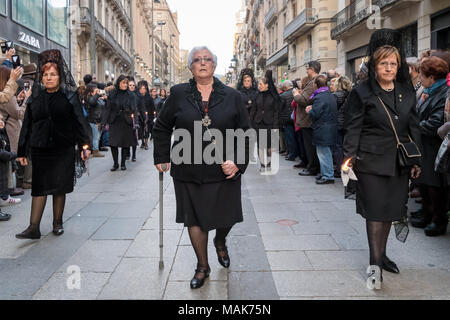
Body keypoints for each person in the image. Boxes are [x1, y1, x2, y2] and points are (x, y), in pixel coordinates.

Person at [153, 46, 250, 289]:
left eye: (207, 59)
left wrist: (238, 162)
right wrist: (161, 156)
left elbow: (246, 132)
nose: (203, 63)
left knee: (227, 215)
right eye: (197, 60)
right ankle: (202, 266)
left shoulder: (232, 95)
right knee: (194, 218)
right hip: (188, 166)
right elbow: (162, 126)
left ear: (215, 66)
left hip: (223, 167)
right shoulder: (177, 94)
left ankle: (220, 240)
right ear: (190, 67)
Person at [344, 29, 422, 290]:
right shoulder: (362, 92)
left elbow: (415, 127)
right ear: (374, 66)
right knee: (376, 212)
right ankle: (375, 264)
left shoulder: (407, 91)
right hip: (370, 162)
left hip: (399, 162)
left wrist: (416, 161)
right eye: (383, 63)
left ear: (398, 66)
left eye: (393, 63)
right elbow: (353, 127)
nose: (389, 68)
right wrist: (348, 157)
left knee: (390, 211)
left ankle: (383, 254)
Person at [15, 49, 92, 240]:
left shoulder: (69, 96)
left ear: (60, 76)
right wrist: (22, 151)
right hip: (40, 148)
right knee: (39, 188)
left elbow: (79, 122)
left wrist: (85, 145)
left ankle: (57, 223)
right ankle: (33, 227)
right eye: (45, 75)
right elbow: (27, 125)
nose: (49, 78)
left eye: (53, 74)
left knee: (59, 187)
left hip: (63, 148)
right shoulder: (35, 97)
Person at [410, 55, 449, 236]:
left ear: (431, 77)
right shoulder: (432, 91)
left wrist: (412, 127)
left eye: (422, 75)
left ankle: (438, 220)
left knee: (435, 187)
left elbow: (435, 124)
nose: (420, 78)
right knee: (426, 184)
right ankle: (427, 214)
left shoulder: (443, 94)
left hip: (434, 146)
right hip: (424, 146)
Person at [0, 66, 31, 198]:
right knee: (10, 158)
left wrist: (18, 99)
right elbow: (20, 114)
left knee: (9, 159)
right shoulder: (6, 95)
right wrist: (26, 100)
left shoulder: (7, 94)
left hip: (7, 129)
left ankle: (10, 189)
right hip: (11, 131)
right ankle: (9, 191)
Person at [305, 75, 338, 184]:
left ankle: (328, 176)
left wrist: (309, 110)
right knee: (326, 152)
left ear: (316, 85)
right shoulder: (330, 95)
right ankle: (325, 173)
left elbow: (316, 114)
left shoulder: (319, 97)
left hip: (322, 129)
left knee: (324, 153)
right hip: (330, 127)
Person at [103, 75, 137, 171]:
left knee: (125, 144)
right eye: (123, 83)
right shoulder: (113, 94)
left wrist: (136, 122)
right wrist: (104, 122)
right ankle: (115, 163)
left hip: (126, 121)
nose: (125, 85)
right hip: (115, 121)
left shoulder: (131, 95)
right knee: (113, 143)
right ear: (118, 83)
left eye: (126, 83)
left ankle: (123, 163)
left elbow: (134, 109)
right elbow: (107, 108)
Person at [294, 61, 321, 176]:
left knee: (310, 146)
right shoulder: (312, 82)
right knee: (308, 145)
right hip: (307, 119)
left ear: (313, 69)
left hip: (308, 119)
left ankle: (312, 167)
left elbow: (305, 100)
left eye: (308, 69)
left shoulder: (313, 83)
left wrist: (296, 95)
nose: (306, 71)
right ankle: (311, 165)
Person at [250, 70, 280, 171]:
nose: (259, 85)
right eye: (259, 84)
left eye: (261, 84)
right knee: (260, 145)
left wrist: (275, 126)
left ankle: (269, 162)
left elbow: (276, 112)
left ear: (267, 85)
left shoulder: (273, 97)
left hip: (270, 124)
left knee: (269, 147)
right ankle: (263, 164)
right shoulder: (257, 95)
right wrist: (251, 124)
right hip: (259, 123)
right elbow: (253, 110)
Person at [0, 113, 20, 220]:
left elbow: (6, 147)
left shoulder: (3, 133)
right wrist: (14, 155)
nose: (1, 121)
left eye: (2, 119)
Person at [236, 68, 258, 161]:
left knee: (252, 137)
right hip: (243, 117)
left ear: (251, 81)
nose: (247, 82)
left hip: (253, 118)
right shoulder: (239, 92)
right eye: (245, 81)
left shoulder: (256, 92)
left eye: (248, 81)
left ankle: (251, 155)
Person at [85, 83, 106, 157]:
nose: (97, 91)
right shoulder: (90, 98)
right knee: (95, 137)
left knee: (97, 136)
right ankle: (95, 151)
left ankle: (95, 149)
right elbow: (92, 102)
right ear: (91, 91)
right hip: (93, 120)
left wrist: (102, 98)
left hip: (98, 120)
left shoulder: (96, 98)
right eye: (96, 90)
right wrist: (97, 95)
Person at [279, 80, 296, 159]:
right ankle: (294, 153)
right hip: (296, 118)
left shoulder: (283, 95)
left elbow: (279, 108)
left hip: (287, 119)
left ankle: (291, 154)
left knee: (290, 138)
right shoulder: (296, 92)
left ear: (285, 87)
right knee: (296, 138)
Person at [136, 80, 155, 150]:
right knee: (141, 130)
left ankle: (146, 143)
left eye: (144, 88)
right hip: (140, 116)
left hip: (148, 117)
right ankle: (143, 142)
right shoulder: (137, 97)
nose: (142, 90)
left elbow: (152, 108)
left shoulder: (149, 98)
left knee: (147, 130)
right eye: (141, 88)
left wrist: (152, 117)